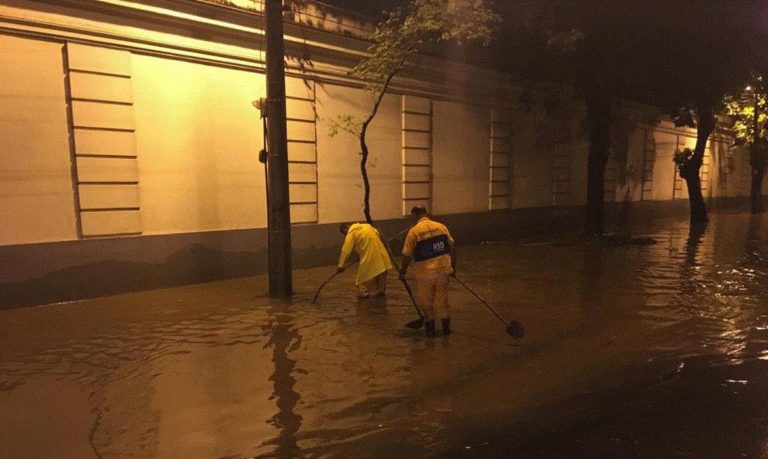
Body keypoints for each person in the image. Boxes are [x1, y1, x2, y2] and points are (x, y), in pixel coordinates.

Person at [399, 205, 456, 336]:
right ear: (426, 213)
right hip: (443, 270)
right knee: (443, 300)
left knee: (426, 301)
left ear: (414, 215)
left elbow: (407, 255)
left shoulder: (414, 232)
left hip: (425, 273)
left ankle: (430, 329)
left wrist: (402, 271)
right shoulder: (441, 227)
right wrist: (453, 268)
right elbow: (453, 248)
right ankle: (446, 329)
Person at [338, 222, 395, 298]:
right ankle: (381, 291)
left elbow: (346, 250)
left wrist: (341, 265)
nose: (345, 235)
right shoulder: (367, 226)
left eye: (344, 233)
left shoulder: (352, 232)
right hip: (381, 253)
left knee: (360, 280)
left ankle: (364, 293)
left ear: (345, 229)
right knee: (381, 273)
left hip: (369, 256)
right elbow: (377, 235)